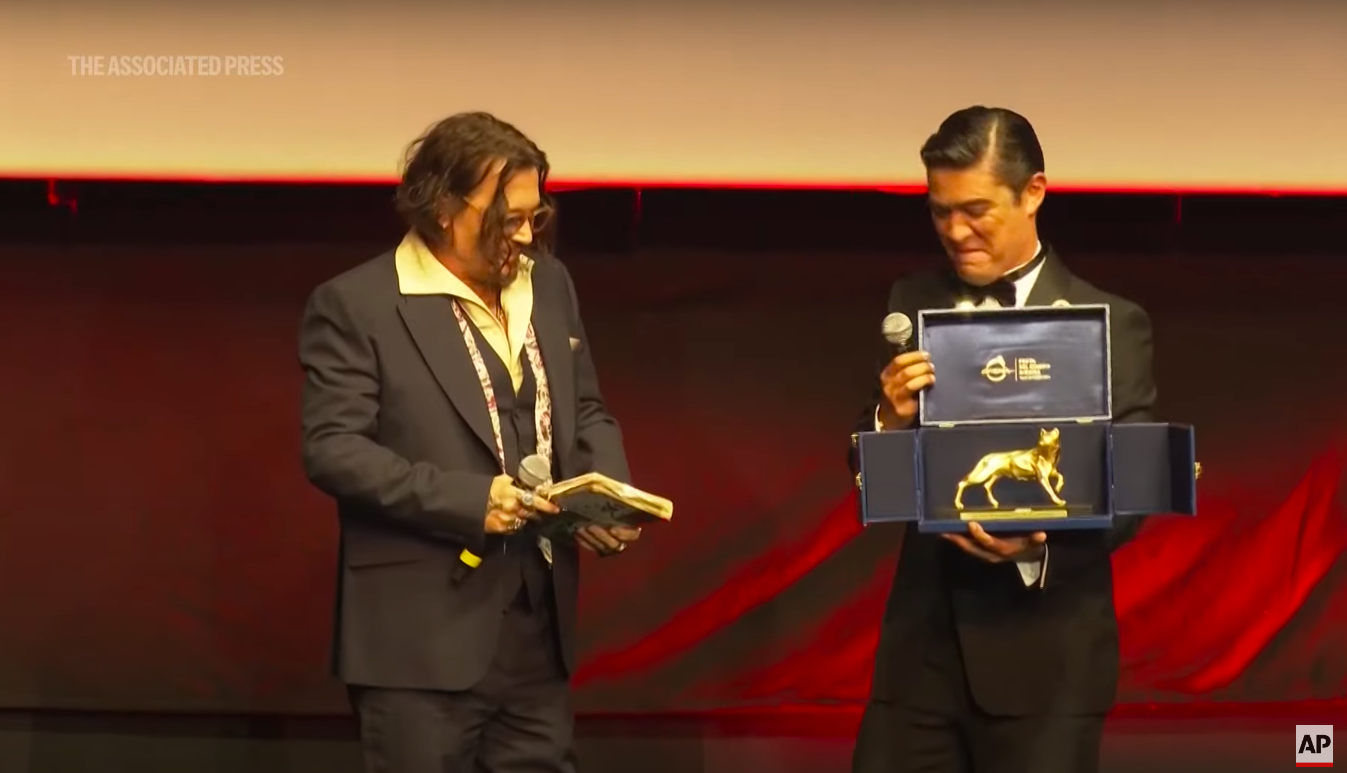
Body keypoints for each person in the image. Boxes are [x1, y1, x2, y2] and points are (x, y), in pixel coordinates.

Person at [298, 111, 640, 773]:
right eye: (506, 219)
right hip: (419, 639)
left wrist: (608, 492)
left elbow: (586, 409)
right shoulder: (358, 304)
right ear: (443, 209)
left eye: (534, 217)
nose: (524, 235)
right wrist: (469, 500)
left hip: (536, 629)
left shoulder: (548, 284)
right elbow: (334, 448)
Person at [848, 106, 1158, 773]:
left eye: (975, 210)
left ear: (1033, 193)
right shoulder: (912, 302)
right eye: (939, 211)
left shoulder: (1111, 322)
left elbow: (1131, 491)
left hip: (1047, 671)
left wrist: (1040, 544)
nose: (955, 231)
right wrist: (887, 421)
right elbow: (874, 482)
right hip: (918, 669)